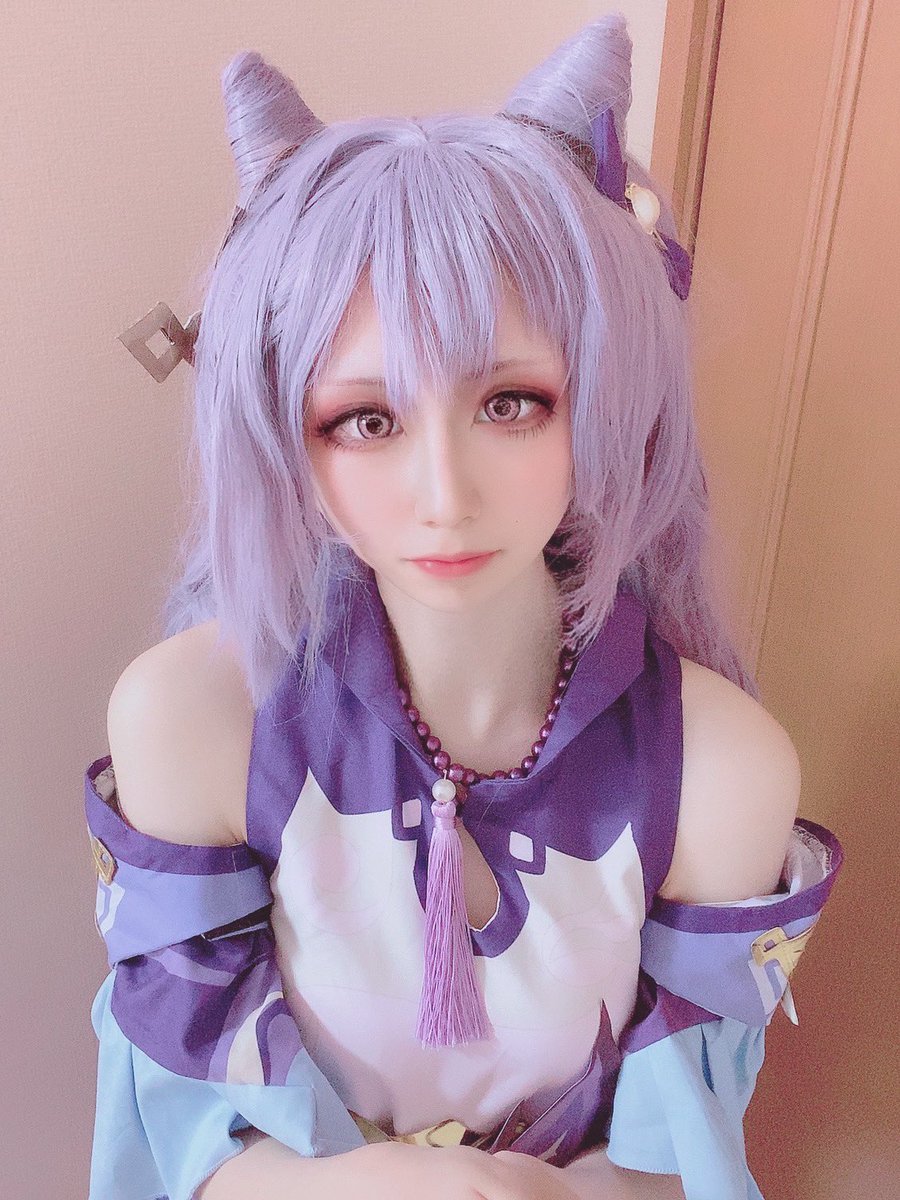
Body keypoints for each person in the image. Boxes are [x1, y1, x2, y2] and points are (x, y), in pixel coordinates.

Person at [85, 12, 844, 1200]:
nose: (444, 496)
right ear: (282, 441)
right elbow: (177, 1131)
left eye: (511, 404)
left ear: (606, 401)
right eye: (365, 421)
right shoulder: (195, 719)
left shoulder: (721, 769)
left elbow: (680, 1159)